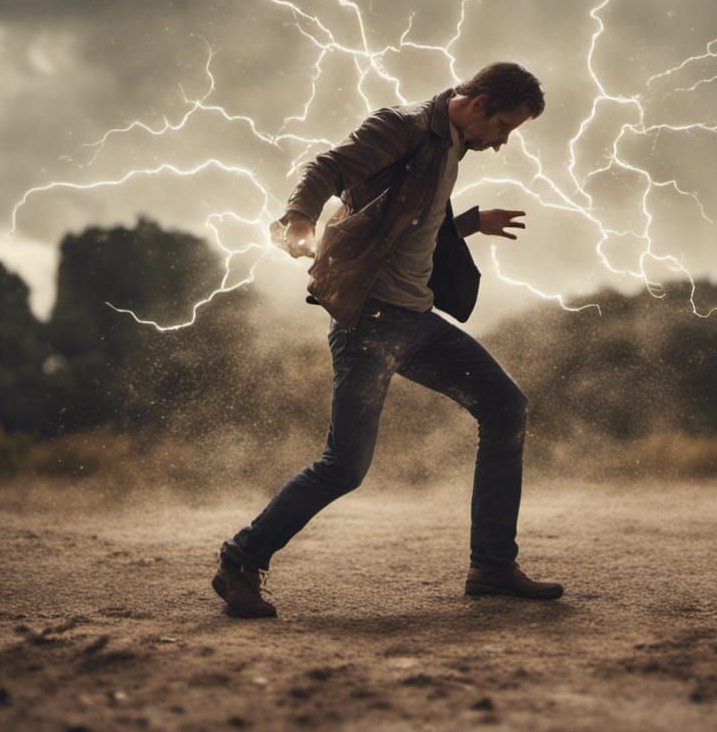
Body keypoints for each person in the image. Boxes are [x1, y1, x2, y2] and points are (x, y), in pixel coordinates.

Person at [212, 62, 564, 617]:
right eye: (504, 128)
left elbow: (413, 216)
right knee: (345, 465)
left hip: (417, 322)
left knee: (506, 408)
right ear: (479, 104)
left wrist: (470, 222)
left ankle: (492, 565)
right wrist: (300, 219)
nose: (501, 143)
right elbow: (327, 167)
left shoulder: (451, 144)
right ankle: (241, 558)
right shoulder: (400, 127)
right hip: (370, 324)